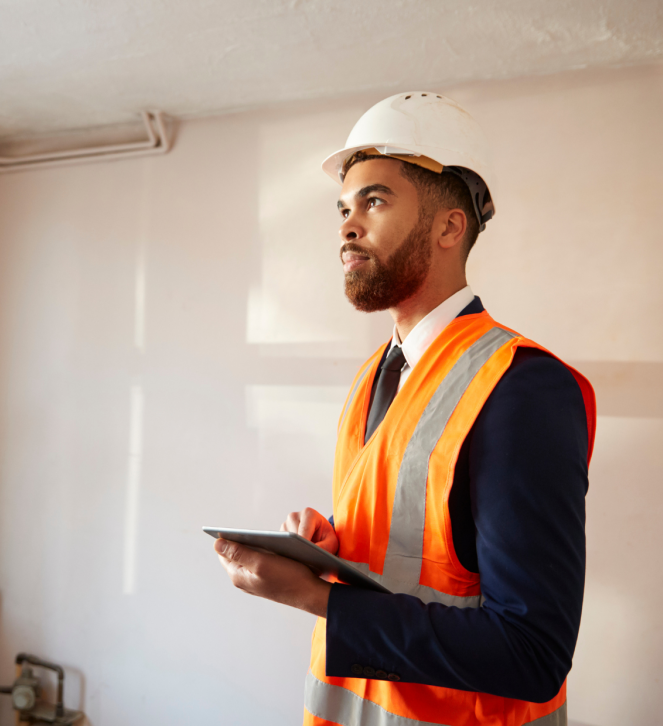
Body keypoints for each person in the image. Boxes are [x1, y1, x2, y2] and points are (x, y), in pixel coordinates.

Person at [213, 92, 596, 726]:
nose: (346, 226)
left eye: (375, 201)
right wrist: (332, 547)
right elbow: (422, 547)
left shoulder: (523, 385)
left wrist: (317, 600)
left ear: (449, 227)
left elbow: (533, 653)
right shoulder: (375, 375)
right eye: (344, 207)